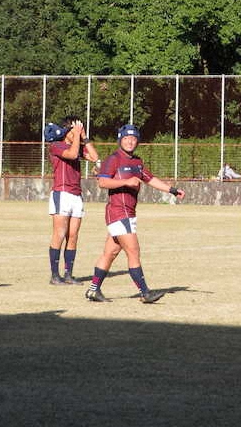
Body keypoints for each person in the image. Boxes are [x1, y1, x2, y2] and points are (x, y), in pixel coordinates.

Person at [85, 124, 184, 304]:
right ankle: (145, 293)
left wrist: (172, 190)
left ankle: (93, 290)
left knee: (110, 253)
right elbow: (102, 182)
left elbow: (150, 179)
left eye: (133, 138)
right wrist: (126, 182)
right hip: (117, 212)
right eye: (126, 138)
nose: (130, 141)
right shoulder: (113, 159)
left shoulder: (137, 162)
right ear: (120, 140)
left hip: (128, 213)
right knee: (133, 251)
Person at [45, 116, 100, 285]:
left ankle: (68, 274)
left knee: (73, 236)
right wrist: (76, 136)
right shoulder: (56, 145)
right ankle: (55, 275)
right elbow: (72, 153)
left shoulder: (76, 144)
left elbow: (94, 157)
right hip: (62, 193)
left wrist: (84, 137)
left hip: (76, 194)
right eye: (74, 130)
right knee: (59, 234)